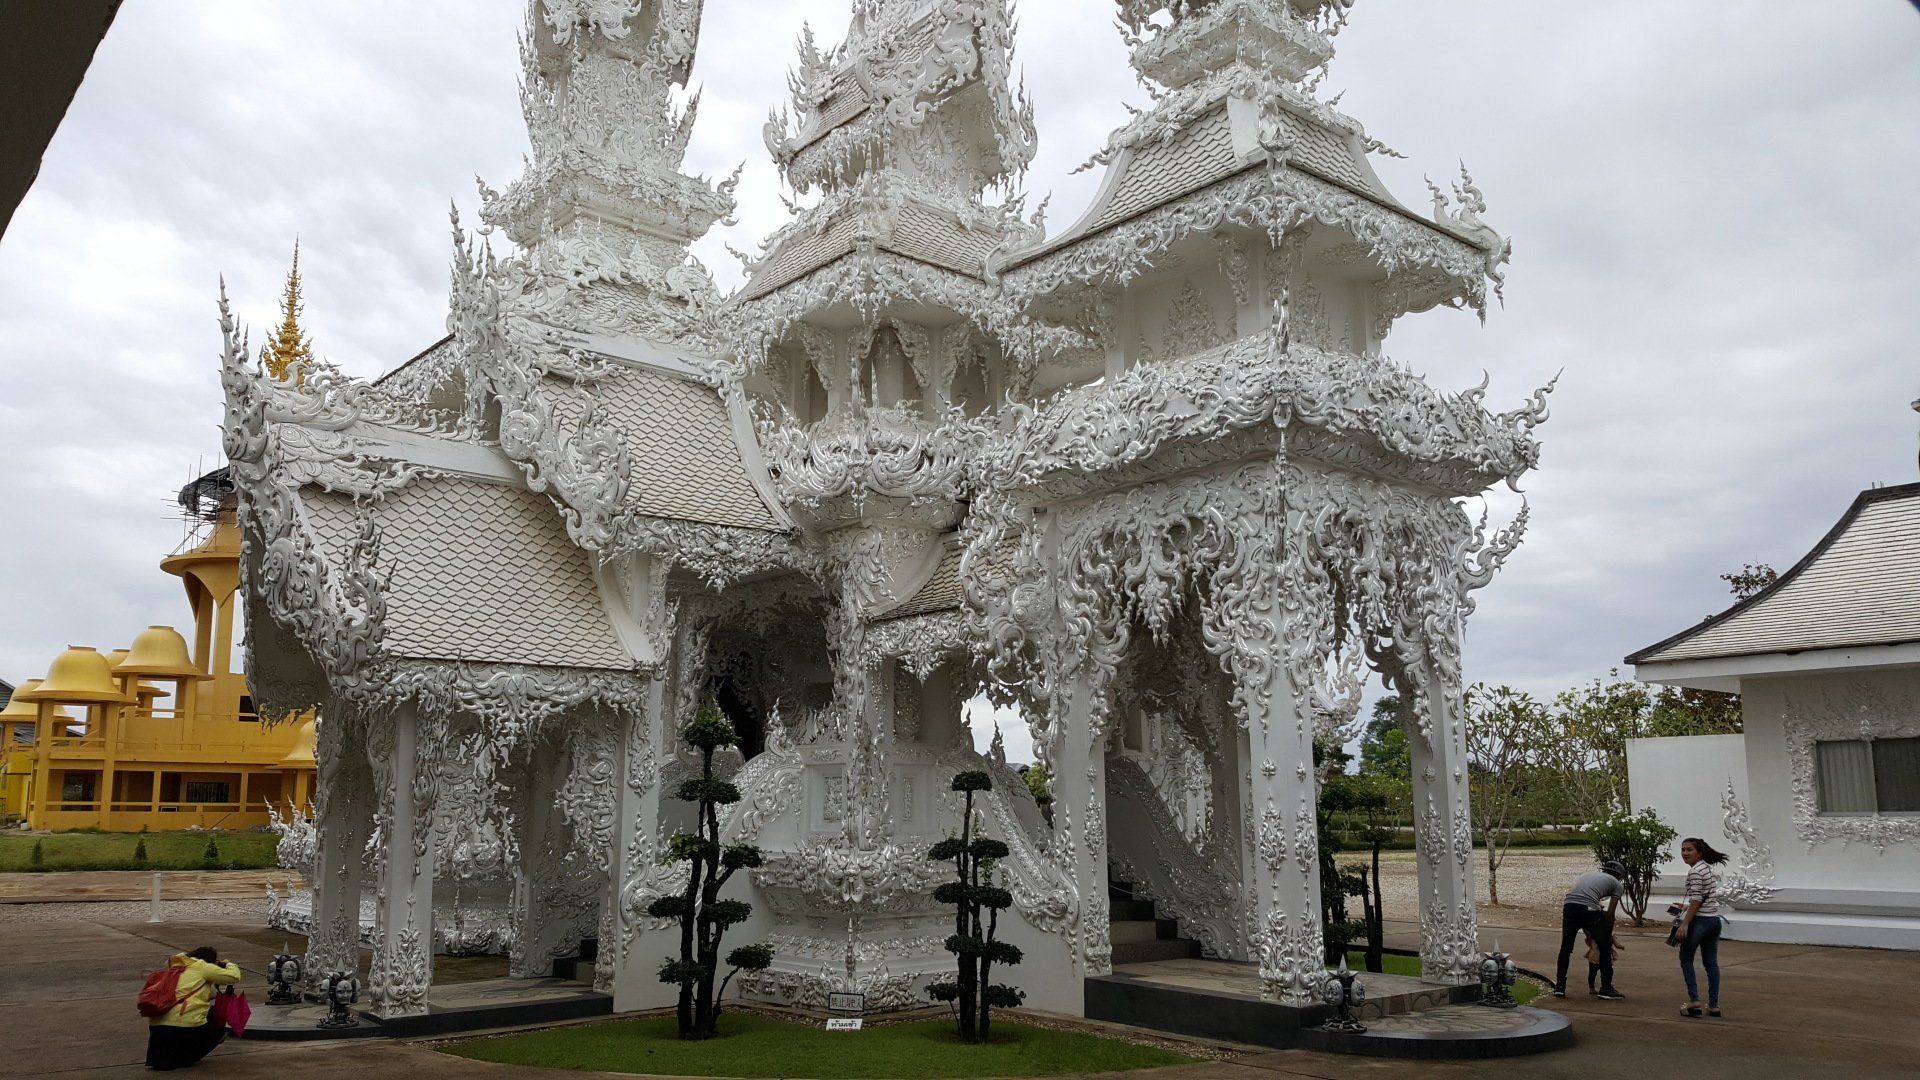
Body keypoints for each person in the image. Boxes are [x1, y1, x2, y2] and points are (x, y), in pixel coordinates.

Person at [145, 946, 241, 1071]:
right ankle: (189, 1053)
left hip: (157, 1027)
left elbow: (206, 992)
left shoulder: (174, 966)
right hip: (185, 1026)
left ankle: (173, 1057)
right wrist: (229, 964)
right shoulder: (202, 966)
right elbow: (234, 977)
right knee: (216, 1019)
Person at [1553, 858, 1626, 1000]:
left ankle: (1560, 987)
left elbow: (1584, 897)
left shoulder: (1589, 875)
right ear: (1619, 876)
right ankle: (1606, 988)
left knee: (1566, 948)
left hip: (1569, 906)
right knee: (1604, 948)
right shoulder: (1617, 884)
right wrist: (1608, 935)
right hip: (1588, 909)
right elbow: (1610, 914)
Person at [1677, 836, 1730, 1018]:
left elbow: (1697, 899)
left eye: (1689, 850)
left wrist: (1685, 923)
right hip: (1713, 920)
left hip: (1699, 921)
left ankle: (1694, 1000)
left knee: (1686, 958)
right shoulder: (1706, 868)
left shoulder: (1694, 872)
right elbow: (1702, 897)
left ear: (1699, 853)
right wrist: (1686, 907)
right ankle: (1713, 1005)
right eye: (1683, 850)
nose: (1685, 853)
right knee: (1711, 963)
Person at [1584, 927, 1625, 992]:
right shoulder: (1609, 934)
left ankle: (1592, 988)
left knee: (1592, 973)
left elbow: (1587, 940)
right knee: (1607, 972)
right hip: (1605, 956)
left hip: (1593, 956)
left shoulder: (1593, 934)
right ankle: (1606, 985)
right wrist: (1622, 946)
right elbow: (1617, 945)